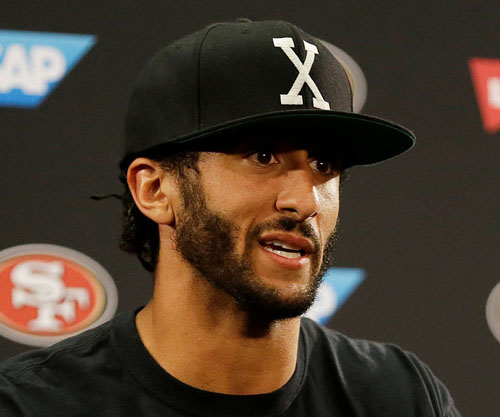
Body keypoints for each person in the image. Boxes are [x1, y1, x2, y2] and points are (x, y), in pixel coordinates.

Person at [0, 19, 461, 416]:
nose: (305, 201)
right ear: (155, 190)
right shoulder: (31, 405)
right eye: (262, 157)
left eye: (324, 165)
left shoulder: (400, 395)